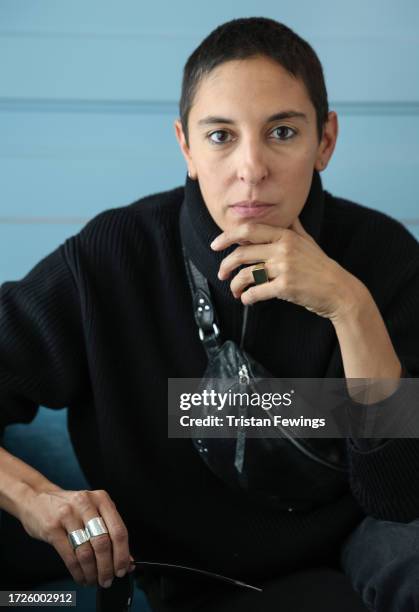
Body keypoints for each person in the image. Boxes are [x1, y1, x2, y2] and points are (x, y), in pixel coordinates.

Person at [1, 16, 419, 612]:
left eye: (282, 131)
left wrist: (350, 308)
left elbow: (399, 496)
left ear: (324, 140)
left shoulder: (384, 257)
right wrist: (36, 498)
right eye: (221, 136)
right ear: (186, 147)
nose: (251, 168)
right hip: (185, 576)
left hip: (354, 552)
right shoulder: (113, 258)